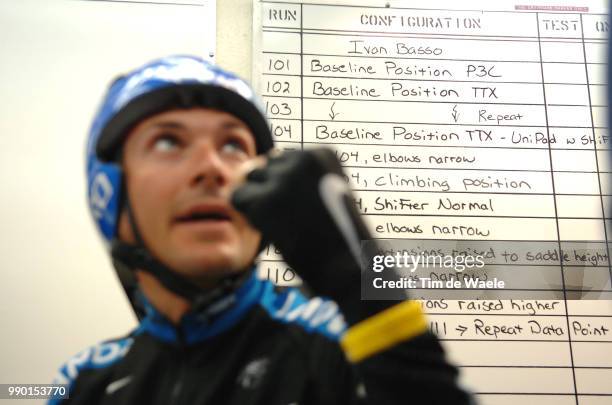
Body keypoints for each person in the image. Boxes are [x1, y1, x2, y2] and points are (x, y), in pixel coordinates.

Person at [49, 55, 474, 405]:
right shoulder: (85, 383)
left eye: (233, 145)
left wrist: (364, 287)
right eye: (168, 142)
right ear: (109, 192)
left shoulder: (338, 344)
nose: (212, 169)